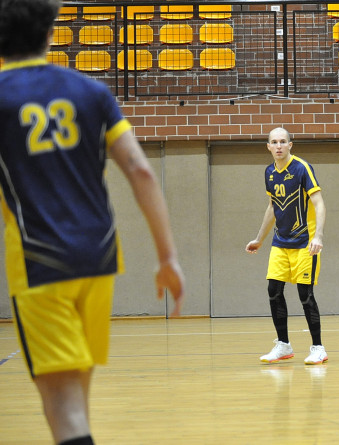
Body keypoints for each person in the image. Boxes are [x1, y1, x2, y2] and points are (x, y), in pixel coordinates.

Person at [0, 1, 186, 444]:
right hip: (99, 257)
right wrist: (167, 257)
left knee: (63, 407)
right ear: (51, 33)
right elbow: (140, 171)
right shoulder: (92, 92)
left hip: (40, 261)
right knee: (77, 394)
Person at [246, 127, 328, 365]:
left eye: (283, 141)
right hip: (280, 242)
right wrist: (259, 239)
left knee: (305, 295)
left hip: (305, 242)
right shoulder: (269, 172)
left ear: (290, 145)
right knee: (274, 291)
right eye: (274, 142)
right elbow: (273, 206)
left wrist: (318, 236)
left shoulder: (302, 168)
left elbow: (319, 203)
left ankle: (318, 348)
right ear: (268, 147)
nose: (279, 146)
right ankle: (283, 345)